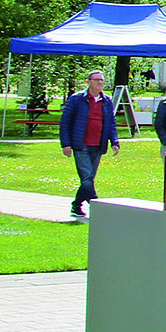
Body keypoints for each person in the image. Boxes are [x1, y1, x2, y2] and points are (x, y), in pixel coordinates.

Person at [58, 70, 118, 220]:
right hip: (81, 144)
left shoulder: (107, 101)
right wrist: (66, 144)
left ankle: (76, 205)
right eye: (97, 80)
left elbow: (111, 123)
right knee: (87, 178)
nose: (100, 83)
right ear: (88, 82)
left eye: (102, 81)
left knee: (88, 180)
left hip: (98, 145)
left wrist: (114, 142)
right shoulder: (77, 99)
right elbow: (65, 122)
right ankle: (96, 204)